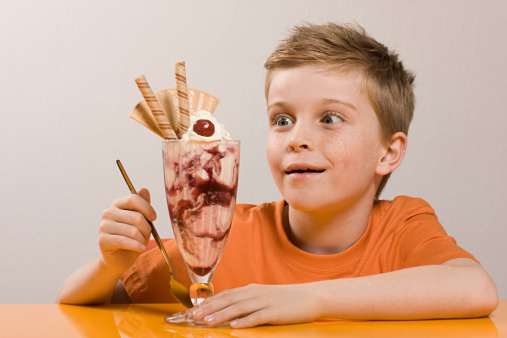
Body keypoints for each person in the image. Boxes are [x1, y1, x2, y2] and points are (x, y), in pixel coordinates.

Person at [57, 22, 498, 328]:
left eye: (329, 119)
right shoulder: (221, 237)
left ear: (389, 152)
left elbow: (475, 287)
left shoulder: (403, 224)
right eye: (282, 120)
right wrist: (108, 263)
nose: (297, 139)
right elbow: (81, 304)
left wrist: (310, 298)